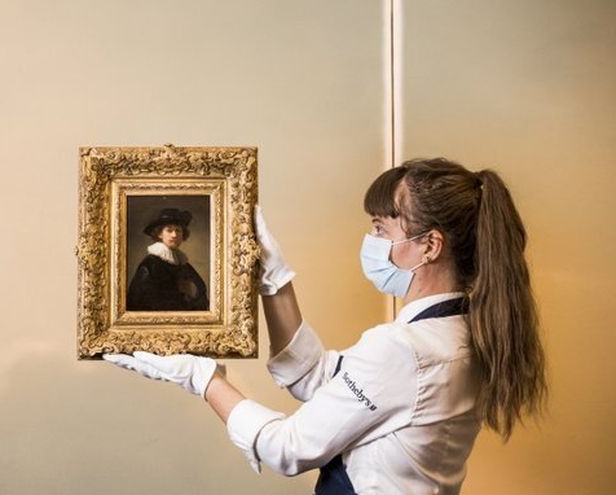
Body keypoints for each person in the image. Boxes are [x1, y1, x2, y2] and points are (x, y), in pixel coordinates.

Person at [105, 158, 547, 494]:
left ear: (430, 245)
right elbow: (321, 379)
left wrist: (203, 379)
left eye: (381, 229)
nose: (371, 241)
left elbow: (288, 447)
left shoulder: (407, 350)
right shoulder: (459, 333)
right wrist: (274, 282)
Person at [126, 208, 209, 311]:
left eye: (178, 230)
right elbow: (138, 301)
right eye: (169, 230)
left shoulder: (183, 264)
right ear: (160, 234)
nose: (174, 235)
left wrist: (193, 293)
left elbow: (201, 290)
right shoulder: (150, 264)